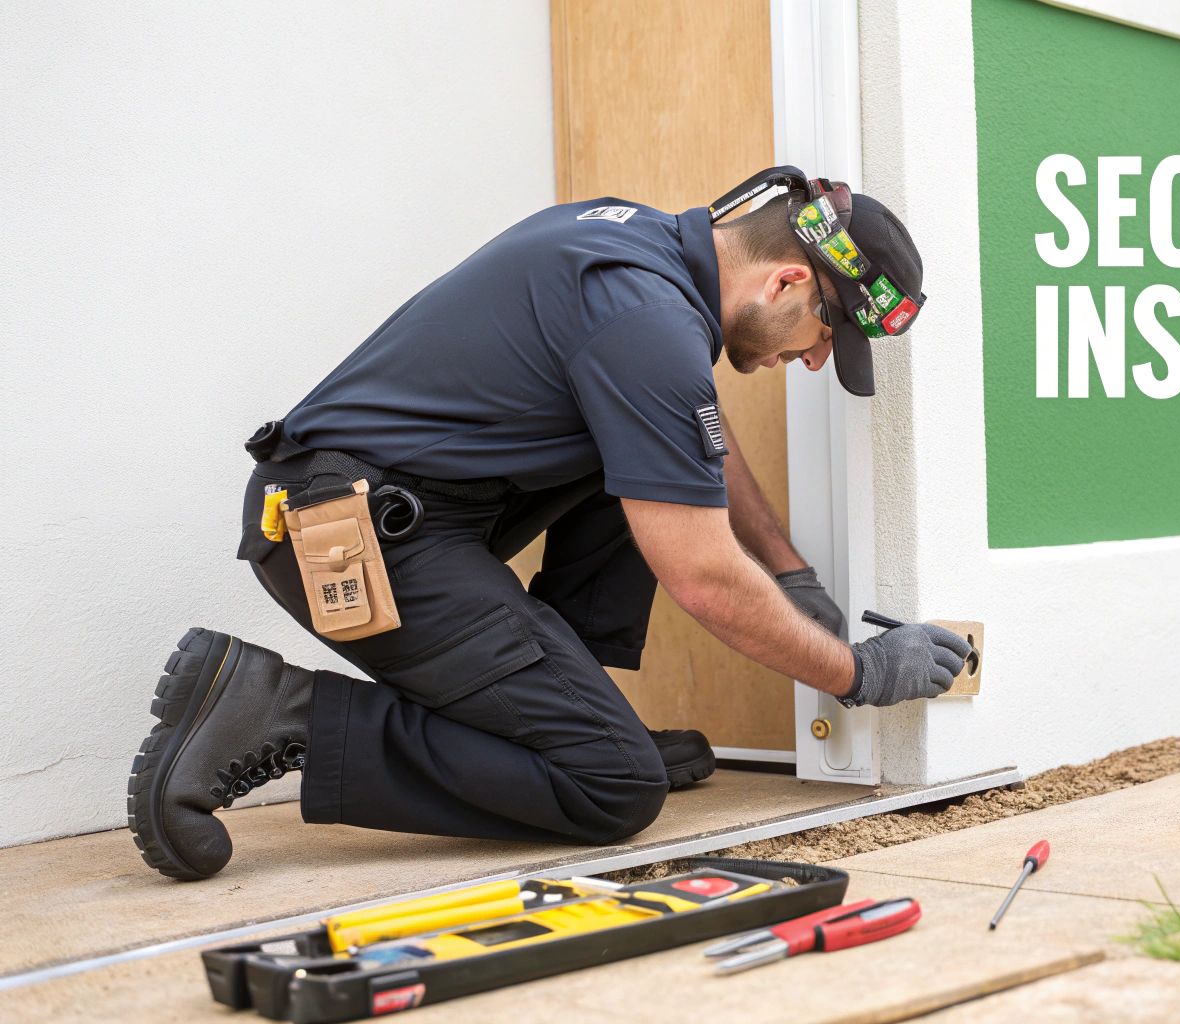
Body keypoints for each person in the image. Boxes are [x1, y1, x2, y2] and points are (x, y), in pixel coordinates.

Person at [126, 167, 969, 881]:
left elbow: (689, 431)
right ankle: (279, 709)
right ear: (786, 279)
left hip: (399, 514)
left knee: (643, 463)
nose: (820, 357)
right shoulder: (646, 322)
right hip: (341, 539)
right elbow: (703, 575)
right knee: (612, 787)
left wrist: (788, 572)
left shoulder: (638, 251)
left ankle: (568, 708)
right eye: (829, 329)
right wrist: (855, 673)